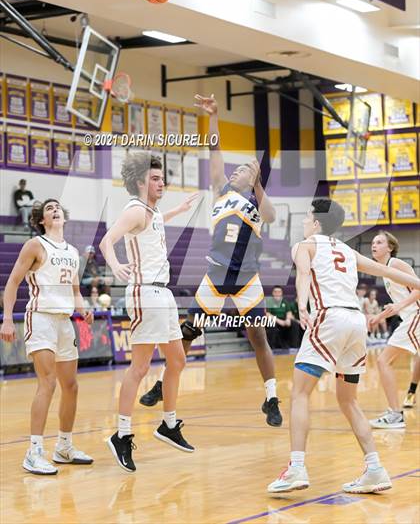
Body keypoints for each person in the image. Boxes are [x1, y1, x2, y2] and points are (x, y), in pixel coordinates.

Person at [140, 93, 282, 427]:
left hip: (246, 278)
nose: (235, 172)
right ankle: (161, 383)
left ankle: (271, 397)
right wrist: (214, 116)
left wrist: (259, 182)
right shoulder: (221, 191)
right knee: (188, 332)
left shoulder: (256, 203)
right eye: (236, 169)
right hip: (215, 275)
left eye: (244, 170)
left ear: (254, 177)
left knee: (258, 336)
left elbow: (272, 216)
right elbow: (214, 150)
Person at [267, 198, 420, 495]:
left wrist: (301, 304)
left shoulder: (305, 245)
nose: (304, 221)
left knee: (299, 393)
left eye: (307, 216)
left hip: (329, 318)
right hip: (356, 324)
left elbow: (301, 275)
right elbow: (392, 274)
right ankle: (375, 469)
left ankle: (296, 467)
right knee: (348, 401)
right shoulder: (348, 251)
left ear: (316, 222)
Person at [99, 152, 198, 472]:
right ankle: (122, 435)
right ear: (141, 182)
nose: (162, 182)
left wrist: (177, 211)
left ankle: (168, 424)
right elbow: (106, 241)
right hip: (145, 293)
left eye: (161, 178)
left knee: (178, 360)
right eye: (155, 179)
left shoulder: (151, 212)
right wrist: (115, 266)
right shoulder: (134, 210)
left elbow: (153, 222)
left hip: (163, 293)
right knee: (139, 368)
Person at [0, 199, 94, 475]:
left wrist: (83, 310)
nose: (55, 210)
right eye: (49, 208)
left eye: (58, 207)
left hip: (65, 322)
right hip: (40, 317)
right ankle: (34, 451)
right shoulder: (35, 246)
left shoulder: (73, 251)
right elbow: (13, 282)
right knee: (48, 383)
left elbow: (75, 290)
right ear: (41, 219)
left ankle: (64, 447)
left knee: (71, 386)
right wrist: (7, 319)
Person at [368, 231, 420, 429]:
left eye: (380, 242)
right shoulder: (384, 271)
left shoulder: (396, 264)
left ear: (390, 248)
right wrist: (379, 317)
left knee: (383, 361)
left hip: (417, 315)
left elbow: (418, 288)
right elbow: (396, 305)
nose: (374, 245)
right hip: (411, 316)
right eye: (373, 242)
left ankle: (395, 414)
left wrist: (399, 306)